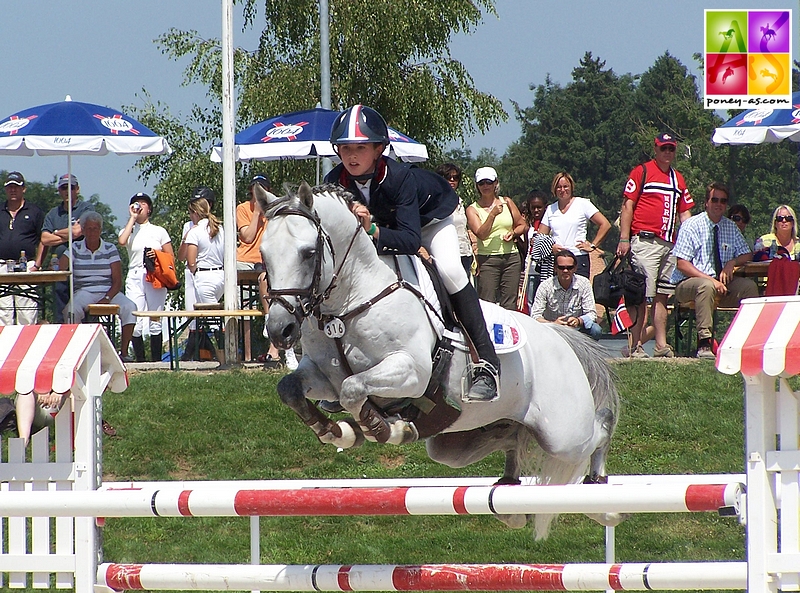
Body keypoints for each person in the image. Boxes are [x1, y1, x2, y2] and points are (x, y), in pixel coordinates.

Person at [324, 104, 500, 402]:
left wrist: (372, 231)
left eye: (360, 147)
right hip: (388, 226)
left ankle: (487, 365)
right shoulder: (333, 182)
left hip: (431, 220)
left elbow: (409, 238)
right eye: (345, 148)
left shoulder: (399, 177)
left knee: (451, 271)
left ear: (379, 148)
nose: (351, 156)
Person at [616, 132, 695, 359]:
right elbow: (628, 205)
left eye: (671, 149)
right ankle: (635, 345)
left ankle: (661, 344)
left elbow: (685, 212)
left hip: (669, 244)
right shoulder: (642, 172)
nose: (667, 153)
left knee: (663, 295)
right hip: (645, 241)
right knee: (642, 295)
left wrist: (691, 241)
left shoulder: (677, 178)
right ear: (656, 149)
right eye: (664, 148)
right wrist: (624, 238)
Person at [672, 182, 759, 359]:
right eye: (715, 200)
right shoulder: (691, 225)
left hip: (721, 283)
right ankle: (704, 343)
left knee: (749, 286)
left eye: (723, 201)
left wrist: (731, 263)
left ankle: (746, 341)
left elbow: (747, 254)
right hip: (688, 284)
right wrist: (711, 280)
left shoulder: (730, 226)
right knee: (706, 286)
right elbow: (681, 263)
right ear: (706, 202)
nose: (719, 204)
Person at [236, 174, 296, 367]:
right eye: (256, 188)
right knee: (243, 307)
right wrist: (257, 214)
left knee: (267, 280)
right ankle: (246, 354)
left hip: (269, 261)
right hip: (245, 261)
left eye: (263, 188)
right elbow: (247, 237)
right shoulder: (243, 208)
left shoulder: (278, 210)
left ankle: (271, 328)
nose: (259, 192)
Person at [58, 212, 136, 361]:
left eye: (95, 229)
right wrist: (65, 256)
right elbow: (62, 266)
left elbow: (117, 280)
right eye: (88, 229)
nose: (92, 232)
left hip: (107, 290)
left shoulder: (109, 248)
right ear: (83, 230)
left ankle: (124, 352)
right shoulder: (75, 247)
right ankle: (78, 351)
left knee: (130, 307)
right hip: (84, 290)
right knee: (71, 310)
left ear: (100, 230)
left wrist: (107, 298)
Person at [118, 192, 173, 362]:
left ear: (149, 208)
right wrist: (132, 219)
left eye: (143, 203)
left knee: (155, 316)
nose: (139, 206)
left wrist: (156, 255)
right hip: (135, 274)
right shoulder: (129, 229)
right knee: (136, 316)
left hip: (154, 274)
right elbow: (122, 241)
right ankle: (140, 359)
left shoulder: (159, 231)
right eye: (136, 203)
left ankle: (156, 360)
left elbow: (170, 255)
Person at [465, 166, 526, 309]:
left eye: (488, 182)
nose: (485, 186)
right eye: (481, 183)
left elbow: (522, 224)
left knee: (510, 302)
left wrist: (514, 233)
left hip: (511, 257)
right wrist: (492, 215)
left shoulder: (507, 202)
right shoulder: (473, 209)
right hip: (488, 259)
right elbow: (481, 234)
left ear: (495, 183)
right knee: (487, 302)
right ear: (477, 186)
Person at [41, 174, 95, 323]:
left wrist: (56, 233)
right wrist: (69, 232)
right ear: (59, 190)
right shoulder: (53, 213)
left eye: (71, 187)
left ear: (77, 189)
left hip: (83, 266)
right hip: (59, 267)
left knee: (82, 305)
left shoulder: (86, 208)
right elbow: (45, 239)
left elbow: (79, 231)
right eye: (64, 187)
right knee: (60, 305)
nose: (67, 191)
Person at [539, 171, 611, 279]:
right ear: (554, 189)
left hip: (578, 258)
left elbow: (605, 224)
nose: (562, 190)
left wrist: (593, 246)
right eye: (559, 187)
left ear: (571, 187)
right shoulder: (550, 209)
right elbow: (541, 236)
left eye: (565, 186)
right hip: (558, 260)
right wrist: (550, 247)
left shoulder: (582, 204)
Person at [0, 172, 45, 325]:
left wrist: (38, 265)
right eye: (10, 187)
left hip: (26, 266)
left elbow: (43, 239)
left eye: (16, 187)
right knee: (3, 312)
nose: (13, 190)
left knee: (26, 311)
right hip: (2, 266)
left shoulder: (34, 212)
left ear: (23, 189)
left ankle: (27, 347)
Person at [530, 250, 602, 339]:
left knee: (596, 330)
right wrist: (553, 324)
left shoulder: (584, 284)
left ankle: (585, 352)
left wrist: (578, 321)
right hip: (552, 330)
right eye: (561, 267)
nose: (565, 270)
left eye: (569, 267)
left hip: (576, 330)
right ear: (555, 268)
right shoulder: (545, 286)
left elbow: (592, 314)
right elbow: (535, 316)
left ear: (575, 268)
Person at [177, 187, 214, 360]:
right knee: (192, 312)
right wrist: (187, 237)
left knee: (207, 312)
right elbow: (181, 256)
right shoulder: (188, 226)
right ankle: (197, 351)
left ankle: (195, 352)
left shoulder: (214, 226)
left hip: (207, 272)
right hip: (191, 272)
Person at [435, 163, 475, 277]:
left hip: (464, 252)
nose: (452, 180)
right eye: (448, 177)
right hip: (447, 254)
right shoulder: (436, 202)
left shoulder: (460, 202)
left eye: (456, 177)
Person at [183, 196, 224, 304]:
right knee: (214, 316)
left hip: (204, 278)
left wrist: (196, 271)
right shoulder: (219, 228)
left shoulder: (194, 232)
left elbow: (191, 261)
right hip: (221, 275)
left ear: (195, 213)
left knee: (211, 316)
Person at [518, 190, 549, 313]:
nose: (536, 210)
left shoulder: (550, 225)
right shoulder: (528, 228)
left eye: (539, 207)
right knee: (531, 300)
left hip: (545, 268)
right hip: (530, 269)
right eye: (533, 208)